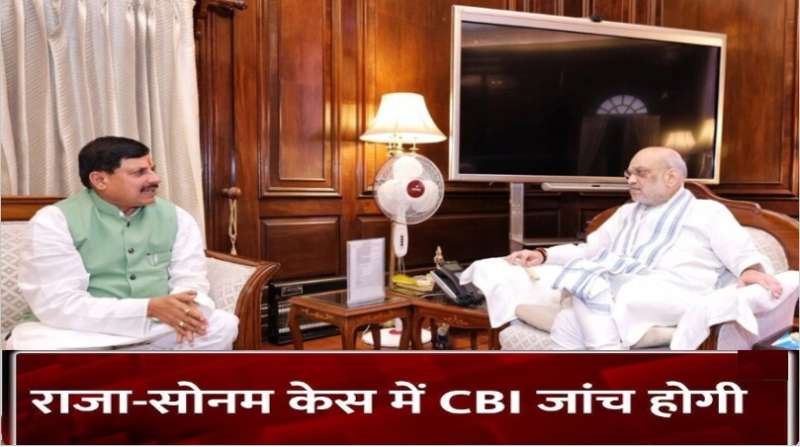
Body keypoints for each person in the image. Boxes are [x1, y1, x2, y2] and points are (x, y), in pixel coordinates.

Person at [505, 146, 787, 349]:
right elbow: (591, 250)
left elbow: (741, 251)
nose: (630, 180)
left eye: (641, 173)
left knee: (592, 291)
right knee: (579, 296)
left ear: (671, 178)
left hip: (679, 291)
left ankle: (600, 357)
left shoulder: (708, 212)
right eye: (629, 173)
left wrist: (751, 270)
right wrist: (543, 255)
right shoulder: (627, 212)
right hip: (625, 285)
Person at [8, 136, 238, 350]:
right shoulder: (53, 221)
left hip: (157, 326)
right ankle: (142, 368)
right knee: (32, 348)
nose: (155, 179)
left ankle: (126, 368)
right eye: (139, 172)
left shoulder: (177, 217)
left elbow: (190, 280)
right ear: (100, 180)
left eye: (152, 169)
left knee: (222, 326)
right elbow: (59, 304)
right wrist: (146, 308)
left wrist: (183, 311)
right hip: (82, 330)